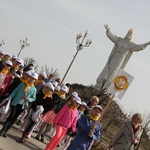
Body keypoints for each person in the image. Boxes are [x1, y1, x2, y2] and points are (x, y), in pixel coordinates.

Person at [95, 24, 150, 90]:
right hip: (114, 57)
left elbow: (139, 47)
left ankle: (106, 86)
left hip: (120, 61)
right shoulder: (120, 40)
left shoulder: (131, 45)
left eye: (130, 34)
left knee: (114, 72)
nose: (128, 35)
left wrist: (147, 43)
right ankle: (101, 83)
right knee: (108, 69)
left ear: (132, 36)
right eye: (128, 33)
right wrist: (108, 29)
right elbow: (114, 37)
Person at [0, 71, 38, 138]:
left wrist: (28, 99)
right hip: (16, 102)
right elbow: (15, 91)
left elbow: (33, 98)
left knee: (14, 118)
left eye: (33, 79)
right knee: (11, 116)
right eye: (30, 78)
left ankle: (6, 131)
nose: (31, 79)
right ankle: (2, 130)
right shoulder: (23, 84)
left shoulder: (34, 89)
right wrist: (10, 97)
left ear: (35, 80)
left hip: (23, 105)